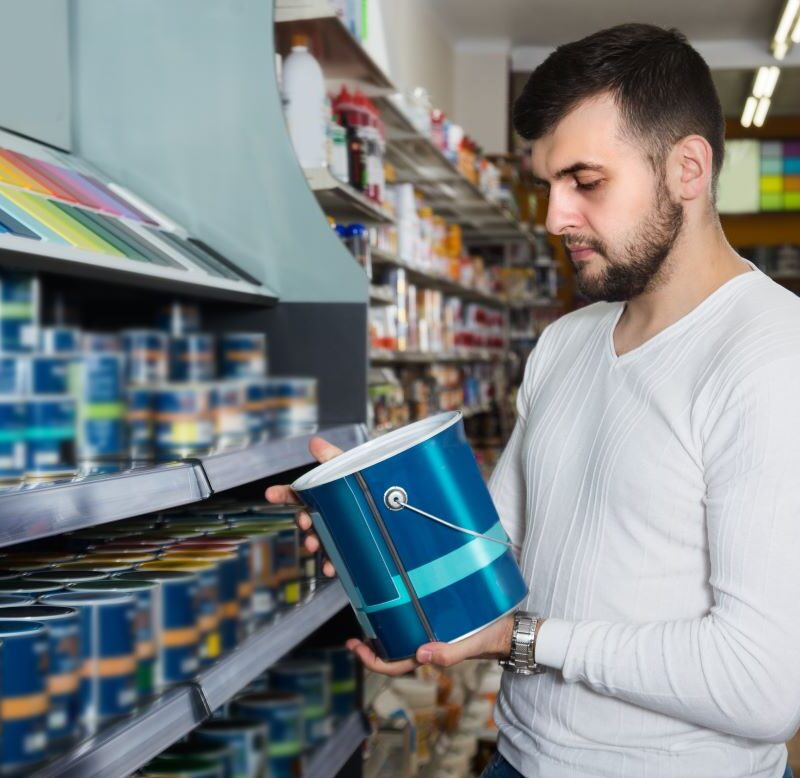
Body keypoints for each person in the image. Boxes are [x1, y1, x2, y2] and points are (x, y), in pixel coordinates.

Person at [267, 23, 800, 778]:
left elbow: (762, 685)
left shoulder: (773, 356)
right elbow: (499, 549)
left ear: (687, 167)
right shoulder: (566, 343)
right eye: (547, 184)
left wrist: (523, 640)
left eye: (586, 182)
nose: (554, 218)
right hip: (518, 758)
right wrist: (372, 525)